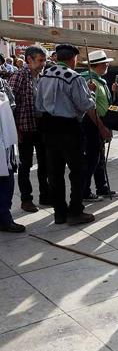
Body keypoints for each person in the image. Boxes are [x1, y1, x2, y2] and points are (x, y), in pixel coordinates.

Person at [36, 44, 110, 225]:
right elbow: (86, 105)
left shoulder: (45, 75)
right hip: (69, 128)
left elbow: (38, 104)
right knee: (78, 171)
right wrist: (101, 125)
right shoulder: (73, 77)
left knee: (55, 173)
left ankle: (59, 212)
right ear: (72, 59)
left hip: (48, 127)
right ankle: (75, 211)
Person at [8, 46, 50, 213]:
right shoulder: (19, 76)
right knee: (25, 165)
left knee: (44, 163)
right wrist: (15, 128)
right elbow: (10, 104)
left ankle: (45, 195)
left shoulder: (41, 76)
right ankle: (26, 199)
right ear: (29, 60)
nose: (43, 64)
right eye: (40, 60)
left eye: (44, 60)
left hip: (41, 126)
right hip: (24, 128)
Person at [79, 50, 118, 202]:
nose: (107, 65)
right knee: (92, 159)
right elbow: (90, 107)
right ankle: (85, 191)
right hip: (92, 123)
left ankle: (101, 187)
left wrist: (116, 93)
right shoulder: (90, 81)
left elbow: (107, 104)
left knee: (99, 158)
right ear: (98, 65)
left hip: (100, 121)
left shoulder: (99, 80)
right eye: (105, 63)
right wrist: (102, 127)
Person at [0, 81, 24, 232]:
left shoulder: (2, 84)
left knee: (6, 181)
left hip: (4, 141)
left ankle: (4, 217)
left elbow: (13, 105)